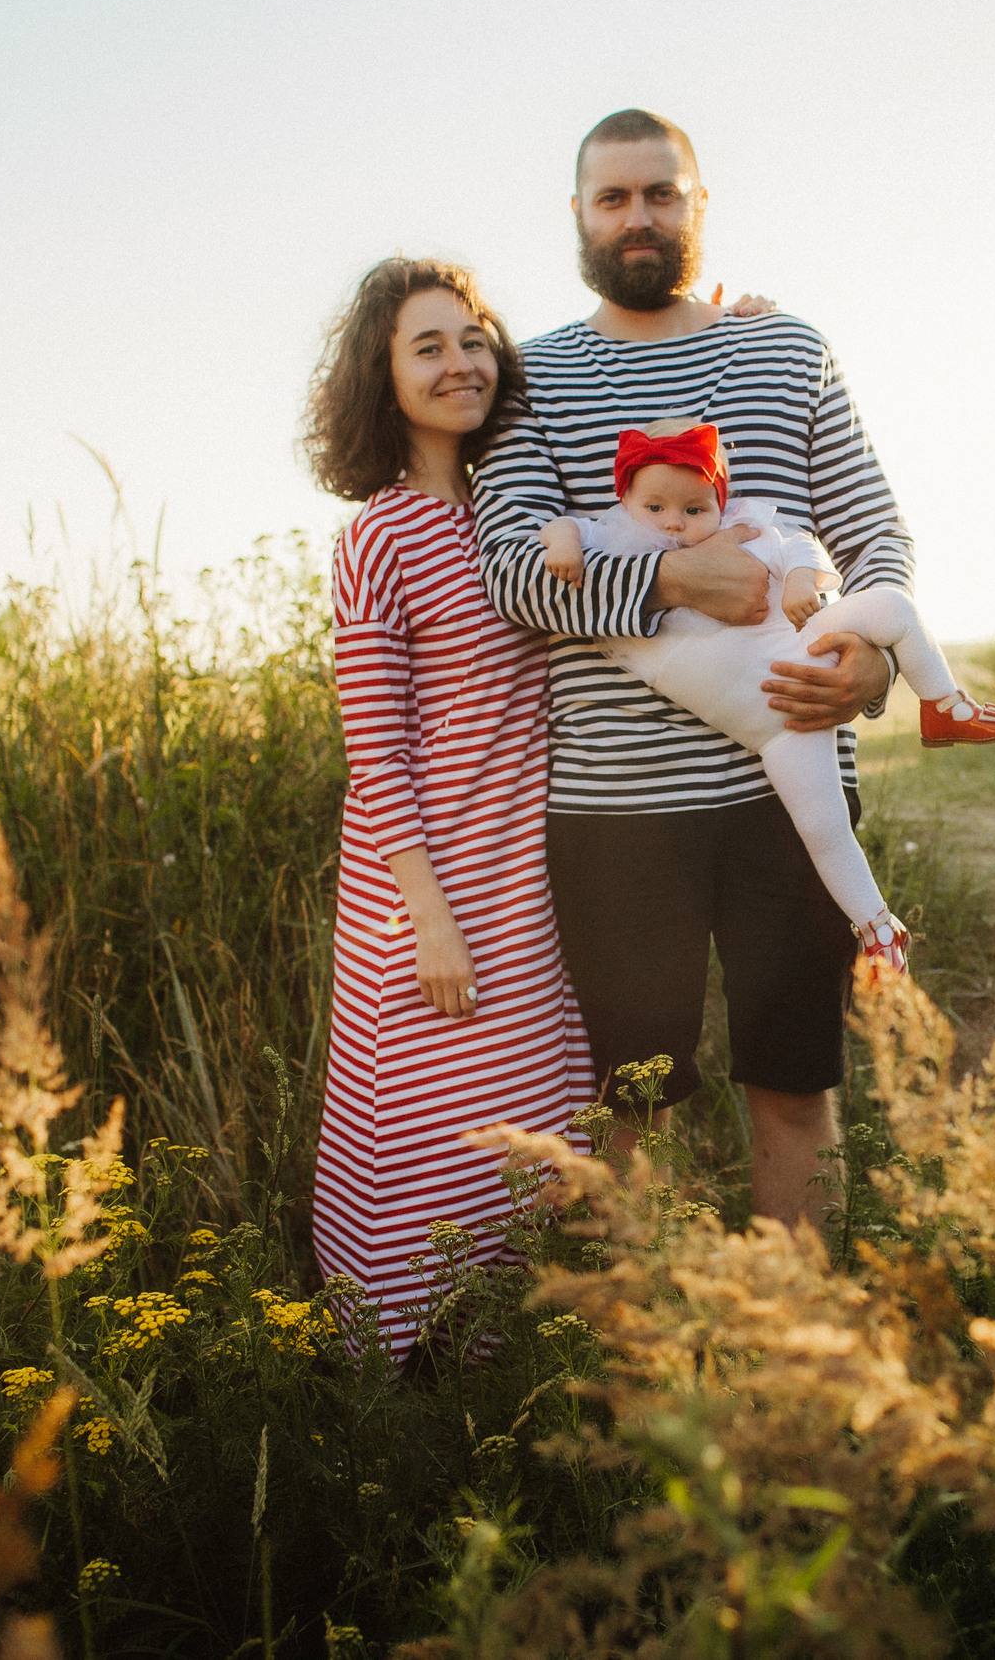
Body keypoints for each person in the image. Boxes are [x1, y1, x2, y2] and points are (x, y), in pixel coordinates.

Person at [472, 106, 930, 1229]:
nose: (638, 217)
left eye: (660, 193)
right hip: (616, 809)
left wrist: (872, 659)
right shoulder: (529, 380)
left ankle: (797, 1341)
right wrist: (677, 580)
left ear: (699, 204)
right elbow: (511, 574)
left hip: (790, 788)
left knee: (795, 1089)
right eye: (613, 197)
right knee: (633, 1108)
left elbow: (875, 533)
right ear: (578, 214)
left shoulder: (788, 350)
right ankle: (644, 1342)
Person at [300, 257, 594, 1356]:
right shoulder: (377, 537)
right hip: (429, 885)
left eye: (474, 341)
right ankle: (386, 1368)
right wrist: (428, 917)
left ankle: (502, 1359)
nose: (461, 363)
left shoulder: (523, 516)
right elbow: (375, 756)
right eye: (427, 347)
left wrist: (723, 313)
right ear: (381, 376)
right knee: (426, 1126)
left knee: (535, 1116)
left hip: (532, 877)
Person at [537, 415, 995, 971]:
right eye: (655, 507)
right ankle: (877, 926)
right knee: (821, 826)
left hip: (805, 651)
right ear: (626, 499)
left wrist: (797, 580)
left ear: (719, 503)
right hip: (773, 727)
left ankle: (943, 706)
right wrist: (563, 544)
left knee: (892, 608)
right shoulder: (612, 537)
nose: (674, 523)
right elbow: (560, 526)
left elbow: (801, 546)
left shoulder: (741, 528)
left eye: (695, 509)